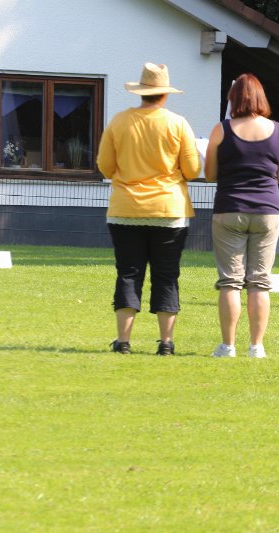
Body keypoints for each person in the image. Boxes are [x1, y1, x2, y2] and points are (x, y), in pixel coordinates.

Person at [97, 63, 201, 355]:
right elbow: (192, 170)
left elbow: (105, 166)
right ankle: (166, 343)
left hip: (125, 208)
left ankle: (123, 341)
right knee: (166, 275)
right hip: (169, 209)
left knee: (128, 273)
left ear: (141, 92)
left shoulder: (119, 121)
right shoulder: (178, 123)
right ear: (165, 94)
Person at [204, 73, 279, 358]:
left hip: (229, 208)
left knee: (230, 281)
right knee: (260, 281)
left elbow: (210, 174)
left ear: (234, 99)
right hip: (267, 211)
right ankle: (257, 347)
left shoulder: (222, 130)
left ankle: (228, 346)